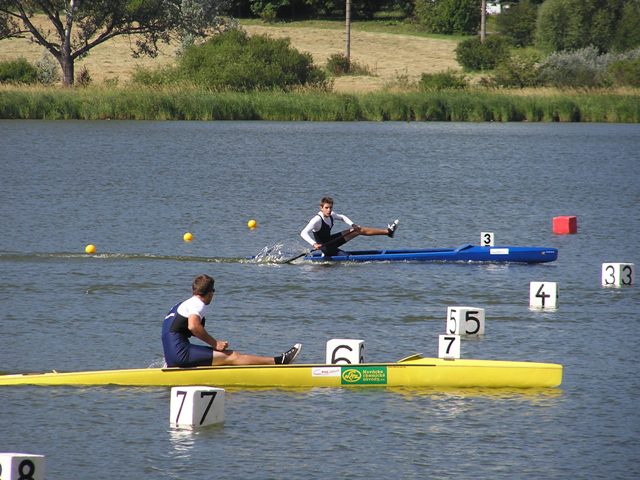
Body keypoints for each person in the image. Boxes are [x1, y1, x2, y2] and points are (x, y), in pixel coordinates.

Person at [162, 274, 301, 367]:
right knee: (232, 356)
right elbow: (193, 326)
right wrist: (215, 343)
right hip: (181, 353)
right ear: (210, 292)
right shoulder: (198, 304)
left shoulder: (180, 305)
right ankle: (279, 361)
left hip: (171, 355)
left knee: (220, 358)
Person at [300, 196, 399, 256]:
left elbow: (342, 217)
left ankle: (388, 232)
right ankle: (327, 255)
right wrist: (314, 244)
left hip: (331, 241)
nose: (329, 210)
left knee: (357, 230)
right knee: (347, 258)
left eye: (330, 208)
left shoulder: (331, 215)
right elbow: (303, 233)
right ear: (321, 208)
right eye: (326, 208)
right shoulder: (317, 220)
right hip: (325, 247)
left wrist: (353, 224)